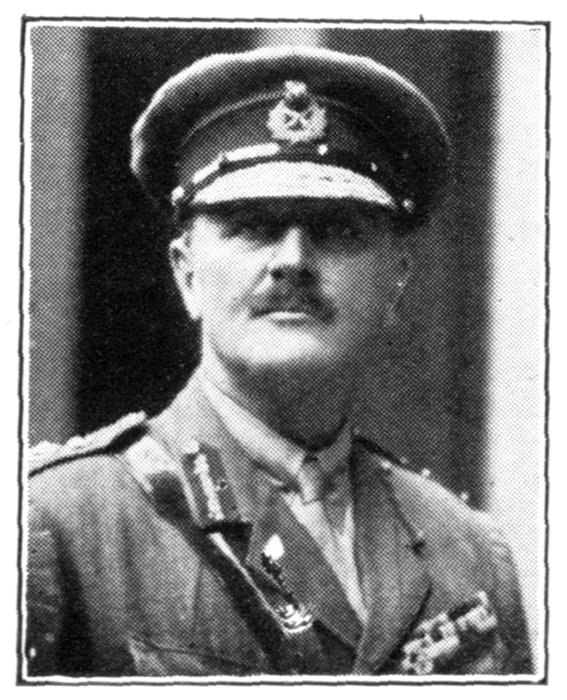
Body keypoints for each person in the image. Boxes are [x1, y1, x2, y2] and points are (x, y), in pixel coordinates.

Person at [26, 45, 533, 677]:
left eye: (336, 230)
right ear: (186, 274)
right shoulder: (61, 523)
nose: (293, 260)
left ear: (396, 281)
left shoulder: (471, 553)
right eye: (253, 227)